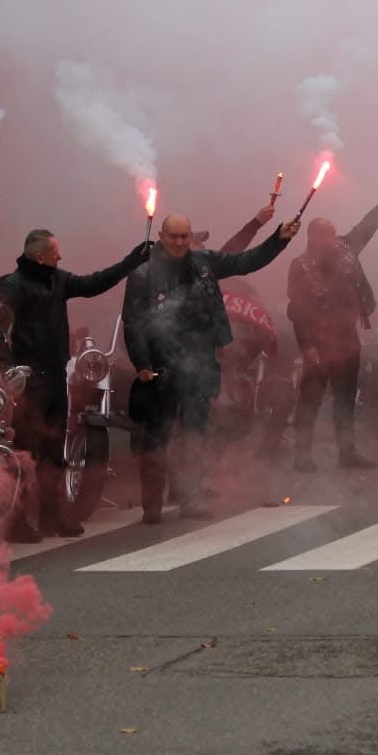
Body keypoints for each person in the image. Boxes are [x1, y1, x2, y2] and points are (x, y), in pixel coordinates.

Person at [121, 209, 298, 523]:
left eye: (184, 236)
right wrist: (142, 363)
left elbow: (247, 260)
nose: (179, 242)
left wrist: (278, 239)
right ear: (161, 237)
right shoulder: (143, 275)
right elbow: (133, 324)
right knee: (157, 436)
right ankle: (152, 506)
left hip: (200, 363)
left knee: (195, 434)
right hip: (161, 366)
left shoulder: (205, 265)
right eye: (173, 236)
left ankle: (191, 498)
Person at [0, 230, 149, 541]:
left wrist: (132, 261)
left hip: (55, 375)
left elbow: (94, 283)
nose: (60, 257)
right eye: (55, 252)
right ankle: (17, 519)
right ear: (39, 256)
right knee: (25, 451)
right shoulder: (9, 287)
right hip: (28, 380)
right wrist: (8, 370)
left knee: (53, 450)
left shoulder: (58, 280)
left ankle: (51, 515)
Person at [286, 179, 378, 471]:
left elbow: (370, 223)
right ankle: (302, 456)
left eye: (332, 233)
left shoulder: (346, 248)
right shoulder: (300, 266)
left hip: (346, 339)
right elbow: (297, 312)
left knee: (345, 398)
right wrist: (308, 349)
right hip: (318, 340)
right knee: (310, 399)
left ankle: (347, 453)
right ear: (311, 237)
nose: (331, 239)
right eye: (324, 235)